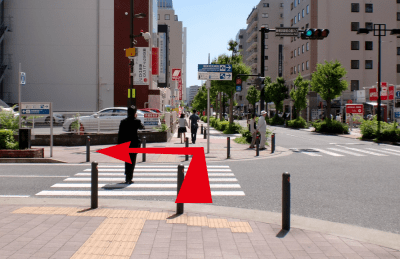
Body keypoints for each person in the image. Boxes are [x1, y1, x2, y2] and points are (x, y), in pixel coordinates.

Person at [118, 106, 144, 184]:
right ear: (135, 113)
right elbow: (142, 127)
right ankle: (129, 177)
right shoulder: (137, 121)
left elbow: (120, 134)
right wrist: (136, 118)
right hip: (134, 144)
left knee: (127, 161)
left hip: (125, 144)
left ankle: (127, 176)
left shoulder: (123, 121)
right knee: (132, 161)